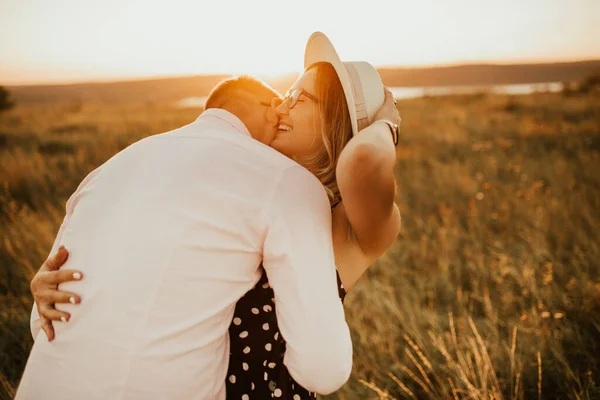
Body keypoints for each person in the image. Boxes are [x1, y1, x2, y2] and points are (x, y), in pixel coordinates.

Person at [26, 32, 402, 399]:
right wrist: (54, 285)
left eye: (301, 98)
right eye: (288, 93)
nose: (281, 106)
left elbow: (363, 160)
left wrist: (386, 122)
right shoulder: (257, 191)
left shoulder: (352, 226)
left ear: (337, 119)